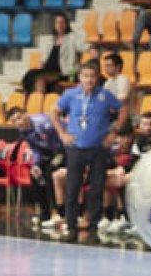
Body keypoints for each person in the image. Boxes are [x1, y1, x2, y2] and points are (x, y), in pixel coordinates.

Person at [52, 60, 125, 241]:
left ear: (97, 78)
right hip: (76, 148)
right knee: (73, 187)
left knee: (97, 188)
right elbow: (53, 112)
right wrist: (62, 133)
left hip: (98, 148)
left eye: (92, 76)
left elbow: (123, 109)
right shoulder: (70, 94)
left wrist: (113, 133)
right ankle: (71, 225)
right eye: (85, 76)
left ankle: (93, 226)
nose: (89, 80)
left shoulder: (105, 95)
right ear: (80, 78)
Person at [6, 106, 64, 227]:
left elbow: (62, 135)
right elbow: (35, 149)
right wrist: (36, 164)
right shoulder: (23, 131)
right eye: (14, 121)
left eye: (19, 117)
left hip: (63, 151)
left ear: (25, 114)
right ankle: (45, 214)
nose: (18, 122)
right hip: (47, 155)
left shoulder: (43, 122)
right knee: (35, 176)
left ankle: (57, 213)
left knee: (49, 174)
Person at [22, 12, 86, 93]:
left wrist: (91, 48)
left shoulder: (72, 38)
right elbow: (45, 58)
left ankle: (39, 96)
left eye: (62, 22)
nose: (59, 25)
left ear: (66, 24)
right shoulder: (51, 40)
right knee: (30, 73)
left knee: (39, 77)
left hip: (64, 72)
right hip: (48, 70)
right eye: (57, 22)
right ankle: (30, 96)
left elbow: (83, 46)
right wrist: (42, 63)